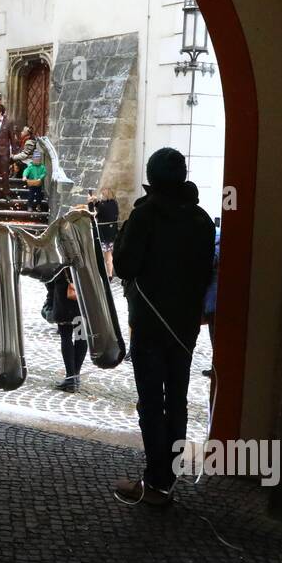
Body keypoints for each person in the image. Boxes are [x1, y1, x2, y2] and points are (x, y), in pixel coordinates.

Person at [111, 147, 215, 506]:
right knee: (178, 402)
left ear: (152, 178)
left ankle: (157, 481)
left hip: (151, 324)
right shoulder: (202, 220)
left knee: (152, 402)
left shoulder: (146, 216)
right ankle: (165, 479)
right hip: (184, 328)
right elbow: (204, 274)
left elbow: (124, 267)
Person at [46, 268, 86, 392]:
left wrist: (50, 296)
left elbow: (50, 273)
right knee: (81, 336)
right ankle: (75, 376)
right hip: (84, 291)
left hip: (63, 293)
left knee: (66, 335)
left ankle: (71, 377)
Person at [87, 187, 120, 279]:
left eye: (102, 194)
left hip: (105, 234)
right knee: (108, 254)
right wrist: (96, 202)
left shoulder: (104, 205)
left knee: (105, 254)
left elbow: (93, 214)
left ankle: (104, 274)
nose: (101, 195)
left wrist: (90, 202)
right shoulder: (113, 203)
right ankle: (109, 274)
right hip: (111, 233)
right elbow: (103, 208)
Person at [202, 221, 220, 380]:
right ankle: (215, 366)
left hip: (214, 301)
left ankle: (217, 367)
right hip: (213, 301)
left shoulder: (217, 242)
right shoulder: (217, 239)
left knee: (216, 336)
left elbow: (210, 263)